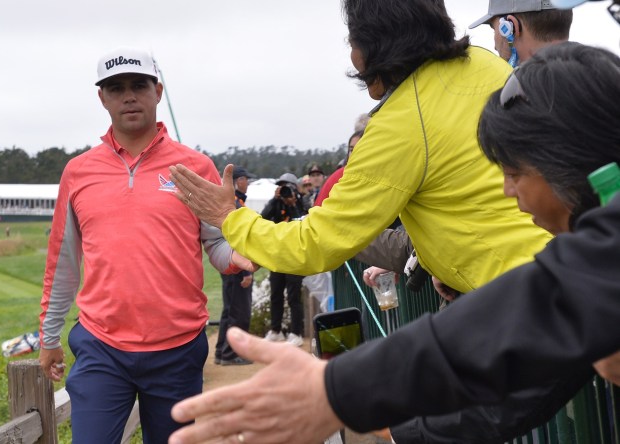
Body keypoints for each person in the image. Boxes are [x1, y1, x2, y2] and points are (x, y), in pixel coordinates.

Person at [168, 42, 620, 444]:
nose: (505, 191)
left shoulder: (596, 264)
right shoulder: (483, 64)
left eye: (515, 171)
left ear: (574, 164)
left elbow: (497, 325)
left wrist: (336, 393)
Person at [171, 0, 550, 302]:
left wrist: (229, 218)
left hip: (518, 299)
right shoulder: (486, 62)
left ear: (375, 45)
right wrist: (446, 266)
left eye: (352, 39)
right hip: (569, 264)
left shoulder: (399, 124)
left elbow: (316, 244)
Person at [36, 47, 251, 444]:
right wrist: (49, 338)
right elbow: (63, 262)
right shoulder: (79, 171)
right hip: (102, 346)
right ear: (102, 98)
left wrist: (236, 257)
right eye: (116, 88)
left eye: (139, 85)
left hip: (177, 349)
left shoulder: (195, 166)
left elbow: (217, 245)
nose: (129, 96)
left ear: (158, 91)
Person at [214, 166, 256, 366]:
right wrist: (247, 271)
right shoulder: (236, 204)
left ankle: (221, 351)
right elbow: (240, 240)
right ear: (238, 181)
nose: (247, 183)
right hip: (236, 265)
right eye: (246, 179)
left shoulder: (235, 202)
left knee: (229, 308)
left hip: (228, 263)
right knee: (238, 310)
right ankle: (230, 353)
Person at [260, 178, 305, 347]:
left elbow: (302, 221)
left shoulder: (300, 202)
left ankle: (296, 332)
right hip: (278, 255)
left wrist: (293, 204)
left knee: (294, 296)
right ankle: (275, 330)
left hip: (294, 255)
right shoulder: (276, 204)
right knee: (276, 294)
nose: (283, 190)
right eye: (280, 187)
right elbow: (263, 218)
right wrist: (274, 200)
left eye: (286, 187)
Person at [469, 0, 573, 67]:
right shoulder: (587, 81)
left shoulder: (513, 96)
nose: (495, 47)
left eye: (494, 29)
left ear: (512, 26)